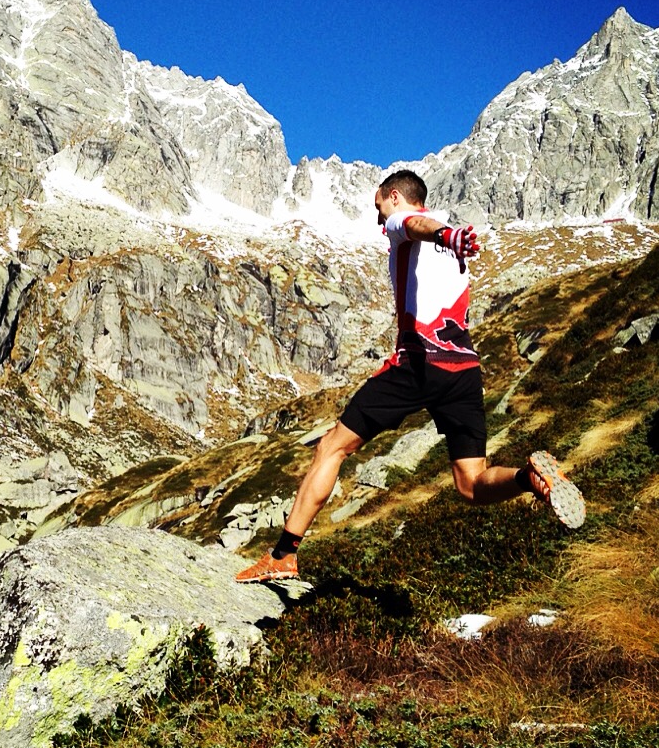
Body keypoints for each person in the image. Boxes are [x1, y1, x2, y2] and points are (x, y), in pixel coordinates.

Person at [235, 169, 585, 584]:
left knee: (332, 447)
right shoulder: (451, 242)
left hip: (419, 363)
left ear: (395, 197)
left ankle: (283, 555)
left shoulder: (406, 224)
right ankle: (531, 478)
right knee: (471, 483)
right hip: (464, 369)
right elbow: (430, 230)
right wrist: (450, 237)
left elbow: (414, 223)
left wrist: (443, 235)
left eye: (379, 208)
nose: (379, 220)